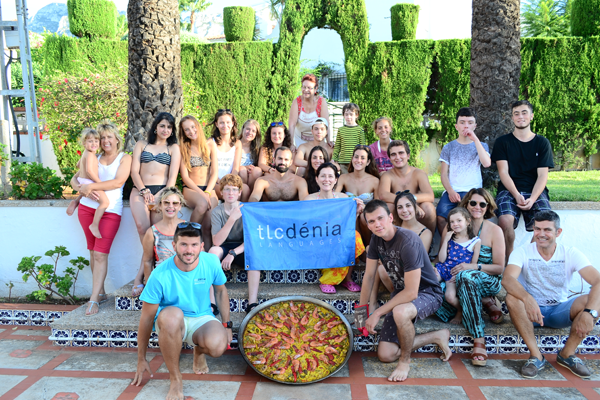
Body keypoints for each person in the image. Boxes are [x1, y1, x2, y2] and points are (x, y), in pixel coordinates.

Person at [132, 223, 232, 399]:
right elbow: (146, 319)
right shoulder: (160, 274)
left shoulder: (210, 262)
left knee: (218, 347)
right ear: (174, 246)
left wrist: (226, 324)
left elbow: (221, 291)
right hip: (171, 321)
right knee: (172, 316)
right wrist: (141, 358)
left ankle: (199, 351)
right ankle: (175, 379)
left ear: (202, 246)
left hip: (201, 318)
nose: (189, 250)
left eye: (194, 245)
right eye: (183, 244)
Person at [356, 200, 451, 382]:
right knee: (385, 354)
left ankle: (404, 362)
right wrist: (361, 314)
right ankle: (436, 336)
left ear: (391, 218)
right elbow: (368, 276)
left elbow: (412, 293)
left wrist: (376, 314)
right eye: (371, 221)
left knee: (400, 312)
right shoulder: (376, 239)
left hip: (428, 293)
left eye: (380, 218)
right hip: (401, 294)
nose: (377, 224)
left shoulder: (408, 241)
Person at [503, 210, 600, 379]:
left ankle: (567, 354)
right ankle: (536, 356)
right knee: (512, 298)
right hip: (530, 313)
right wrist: (527, 298)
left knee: (592, 301)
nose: (541, 234)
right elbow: (507, 279)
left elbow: (598, 281)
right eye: (537, 229)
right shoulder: (523, 251)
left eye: (547, 230)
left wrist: (589, 312)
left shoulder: (570, 252)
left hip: (559, 310)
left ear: (558, 232)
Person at [434, 188, 505, 366]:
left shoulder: (495, 230)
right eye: (473, 203)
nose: (477, 207)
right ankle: (482, 302)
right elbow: (443, 258)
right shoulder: (453, 227)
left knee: (466, 276)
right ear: (466, 204)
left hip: (486, 279)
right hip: (455, 279)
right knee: (435, 293)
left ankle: (478, 338)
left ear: (488, 207)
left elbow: (499, 268)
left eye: (482, 204)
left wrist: (473, 266)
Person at [70, 120, 132, 316]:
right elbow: (75, 178)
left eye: (109, 137)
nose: (105, 141)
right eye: (102, 137)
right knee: (92, 252)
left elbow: (118, 182)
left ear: (117, 139)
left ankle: (93, 299)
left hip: (111, 211)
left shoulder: (125, 158)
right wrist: (80, 188)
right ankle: (101, 292)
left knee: (100, 254)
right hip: (87, 209)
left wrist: (92, 187)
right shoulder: (92, 156)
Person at [491, 100, 554, 260]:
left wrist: (532, 198)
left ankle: (528, 260)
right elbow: (503, 173)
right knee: (505, 221)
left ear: (531, 116)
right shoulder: (502, 142)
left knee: (545, 222)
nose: (520, 116)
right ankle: (511, 261)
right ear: (512, 118)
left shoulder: (542, 143)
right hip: (508, 190)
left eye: (524, 112)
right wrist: (516, 194)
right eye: (516, 113)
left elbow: (542, 176)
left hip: (535, 190)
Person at [304, 163, 365, 294]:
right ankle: (328, 280)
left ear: (336, 180)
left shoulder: (343, 198)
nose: (327, 180)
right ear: (317, 179)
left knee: (354, 237)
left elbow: (347, 226)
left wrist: (356, 213)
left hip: (339, 237)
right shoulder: (309, 200)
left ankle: (347, 279)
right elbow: (307, 227)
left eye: (330, 176)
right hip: (319, 240)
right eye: (323, 176)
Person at [371, 191, 435, 310]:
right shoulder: (393, 228)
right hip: (393, 271)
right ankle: (372, 301)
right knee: (378, 266)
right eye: (400, 207)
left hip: (412, 274)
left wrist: (385, 258)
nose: (404, 210)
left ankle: (401, 301)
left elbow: (416, 261)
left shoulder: (425, 233)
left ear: (415, 207)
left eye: (408, 205)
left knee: (382, 266)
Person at [207, 174, 259, 313]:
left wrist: (233, 253)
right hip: (224, 245)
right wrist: (231, 219)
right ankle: (212, 302)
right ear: (222, 192)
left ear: (240, 192)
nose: (231, 193)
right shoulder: (217, 212)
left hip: (242, 247)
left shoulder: (246, 210)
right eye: (227, 189)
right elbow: (217, 241)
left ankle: (252, 303)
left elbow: (252, 239)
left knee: (254, 256)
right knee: (212, 252)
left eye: (235, 190)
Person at [436, 107, 491, 235]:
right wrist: (450, 191)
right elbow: (443, 174)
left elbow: (487, 163)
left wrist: (475, 139)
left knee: (472, 219)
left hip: (473, 191)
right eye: (462, 122)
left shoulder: (481, 145)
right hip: (453, 191)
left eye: (470, 122)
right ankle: (447, 247)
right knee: (440, 217)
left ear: (475, 126)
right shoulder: (448, 147)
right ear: (456, 126)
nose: (466, 126)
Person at [130, 112, 181, 242]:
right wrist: (144, 191)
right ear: (155, 127)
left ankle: (155, 261)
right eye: (162, 126)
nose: (165, 130)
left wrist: (161, 195)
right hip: (140, 190)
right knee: (142, 227)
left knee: (157, 231)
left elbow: (172, 176)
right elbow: (134, 171)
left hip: (162, 192)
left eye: (169, 127)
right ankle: (147, 259)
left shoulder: (173, 148)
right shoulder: (142, 144)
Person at [131, 187, 186, 297]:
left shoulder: (187, 228)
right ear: (160, 205)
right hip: (163, 280)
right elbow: (147, 261)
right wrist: (151, 287)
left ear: (180, 206)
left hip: (185, 280)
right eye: (166, 203)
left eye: (175, 203)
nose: (171, 206)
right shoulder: (152, 232)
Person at [434, 207, 481, 327]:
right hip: (443, 268)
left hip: (456, 273)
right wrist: (445, 240)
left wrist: (460, 276)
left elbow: (473, 265)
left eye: (459, 220)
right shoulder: (450, 238)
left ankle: (460, 311)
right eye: (452, 222)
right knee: (428, 281)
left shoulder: (475, 241)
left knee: (449, 296)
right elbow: (442, 259)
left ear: (468, 221)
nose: (455, 224)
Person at [378, 140, 436, 234]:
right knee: (389, 207)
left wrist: (411, 203)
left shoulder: (418, 173)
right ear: (389, 158)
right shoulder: (387, 175)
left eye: (401, 153)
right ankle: (396, 241)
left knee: (428, 207)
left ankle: (428, 241)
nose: (397, 157)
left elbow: (430, 196)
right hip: (398, 210)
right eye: (393, 154)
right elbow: (383, 195)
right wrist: (407, 203)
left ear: (408, 155)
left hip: (417, 212)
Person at [178, 115, 218, 249]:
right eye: (186, 129)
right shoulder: (183, 148)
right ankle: (187, 237)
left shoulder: (210, 144)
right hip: (191, 189)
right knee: (202, 204)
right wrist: (203, 194)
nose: (191, 131)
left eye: (193, 127)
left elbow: (214, 173)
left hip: (209, 188)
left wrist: (207, 192)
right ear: (183, 132)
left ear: (198, 126)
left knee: (208, 226)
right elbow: (185, 177)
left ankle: (206, 259)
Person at [66, 128, 109, 239]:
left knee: (86, 192)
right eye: (90, 141)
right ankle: (94, 225)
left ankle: (75, 202)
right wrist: (100, 183)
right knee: (104, 202)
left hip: (82, 180)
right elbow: (90, 171)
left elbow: (77, 164)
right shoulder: (90, 155)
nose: (94, 143)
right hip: (88, 181)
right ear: (84, 143)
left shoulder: (86, 153)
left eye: (96, 141)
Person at [336, 144, 380, 245]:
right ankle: (355, 249)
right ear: (352, 159)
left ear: (368, 162)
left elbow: (377, 204)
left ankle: (369, 247)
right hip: (349, 212)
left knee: (363, 218)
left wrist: (365, 208)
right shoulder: (343, 178)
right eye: (356, 157)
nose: (358, 160)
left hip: (367, 213)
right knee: (353, 216)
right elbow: (336, 197)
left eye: (362, 158)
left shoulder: (374, 181)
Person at [207, 109, 249, 201]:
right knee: (229, 192)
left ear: (233, 123)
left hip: (230, 181)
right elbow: (208, 167)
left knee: (245, 188)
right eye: (221, 122)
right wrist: (221, 182)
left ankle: (242, 214)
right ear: (216, 124)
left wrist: (230, 182)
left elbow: (235, 168)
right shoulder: (210, 142)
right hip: (215, 182)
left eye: (228, 122)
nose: (225, 125)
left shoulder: (237, 143)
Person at [288, 73, 332, 147]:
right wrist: (291, 144)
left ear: (316, 88)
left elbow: (326, 123)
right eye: (304, 87)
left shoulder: (321, 101)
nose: (306, 90)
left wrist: (328, 141)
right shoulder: (297, 102)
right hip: (300, 142)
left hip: (317, 143)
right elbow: (292, 125)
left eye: (309, 88)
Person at [333, 103, 365, 174]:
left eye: (351, 114)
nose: (348, 117)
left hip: (356, 162)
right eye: (346, 114)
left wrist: (362, 159)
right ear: (343, 115)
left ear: (356, 115)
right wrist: (334, 158)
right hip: (343, 163)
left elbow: (362, 147)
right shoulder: (341, 130)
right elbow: (337, 146)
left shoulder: (360, 130)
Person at [238, 119, 263, 190]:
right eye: (248, 129)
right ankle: (243, 192)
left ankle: (251, 194)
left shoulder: (256, 149)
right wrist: (245, 168)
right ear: (243, 129)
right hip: (238, 175)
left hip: (252, 178)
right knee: (242, 170)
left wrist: (251, 169)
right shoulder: (234, 145)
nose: (250, 132)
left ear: (256, 134)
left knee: (257, 170)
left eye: (253, 131)